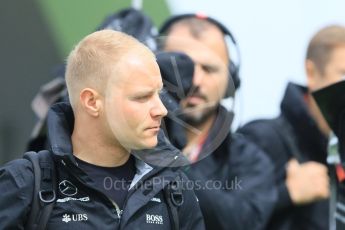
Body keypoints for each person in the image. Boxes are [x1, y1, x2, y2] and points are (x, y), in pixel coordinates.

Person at [0, 30, 205, 229]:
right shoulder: (24, 182)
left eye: (158, 94)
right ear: (91, 102)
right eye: (142, 97)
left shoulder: (173, 189)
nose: (161, 110)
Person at [159, 14, 277, 230]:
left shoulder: (251, 161)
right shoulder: (127, 141)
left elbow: (239, 223)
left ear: (231, 79)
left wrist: (172, 159)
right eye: (180, 66)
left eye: (209, 69)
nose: (195, 80)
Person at [239, 25, 345, 229]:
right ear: (311, 73)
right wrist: (286, 194)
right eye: (343, 75)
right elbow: (221, 218)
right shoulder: (263, 138)